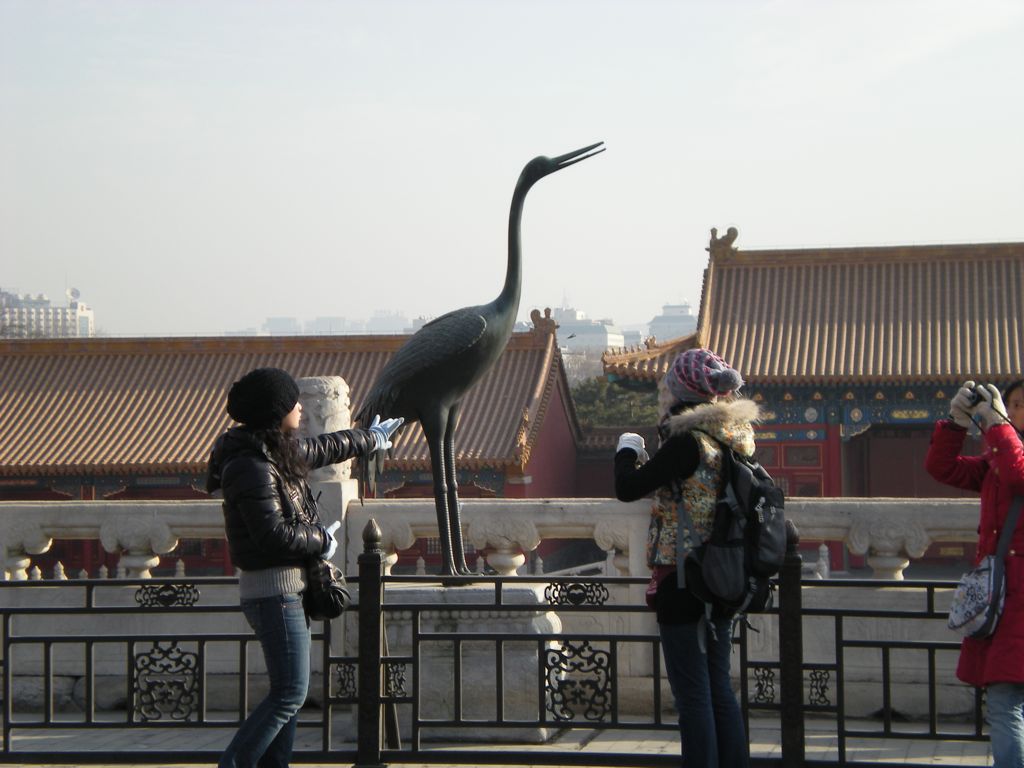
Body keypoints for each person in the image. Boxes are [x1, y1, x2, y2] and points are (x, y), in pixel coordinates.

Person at [206, 367, 402, 768]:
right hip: (272, 593)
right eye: (292, 402)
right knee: (291, 693)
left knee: (289, 696)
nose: (300, 407)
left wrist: (371, 439)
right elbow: (273, 535)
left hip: (285, 591)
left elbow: (326, 447)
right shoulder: (251, 465)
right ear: (275, 411)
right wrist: (321, 539)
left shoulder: (272, 452)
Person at [614, 348, 757, 768]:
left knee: (693, 694)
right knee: (719, 687)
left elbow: (628, 487)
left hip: (683, 578)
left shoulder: (686, 440)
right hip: (725, 575)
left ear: (681, 390)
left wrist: (626, 450)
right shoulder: (732, 438)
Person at [925, 379, 1024, 767]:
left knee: (1006, 704)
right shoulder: (997, 459)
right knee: (1004, 701)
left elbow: (1018, 474)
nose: (1015, 412)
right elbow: (942, 467)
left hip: (1015, 602)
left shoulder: (1007, 456)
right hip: (1004, 603)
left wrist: (996, 424)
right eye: (1013, 404)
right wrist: (956, 422)